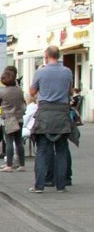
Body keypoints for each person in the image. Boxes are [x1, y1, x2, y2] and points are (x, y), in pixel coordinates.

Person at [28, 45, 74, 192]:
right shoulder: (67, 72)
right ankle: (61, 186)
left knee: (42, 151)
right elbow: (70, 91)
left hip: (45, 114)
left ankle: (39, 185)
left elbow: (32, 92)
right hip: (62, 114)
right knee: (61, 150)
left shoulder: (40, 72)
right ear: (58, 56)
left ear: (46, 56)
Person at [0, 67, 26, 172]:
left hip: (8, 118)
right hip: (19, 118)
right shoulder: (19, 90)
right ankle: (22, 164)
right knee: (19, 141)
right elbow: (23, 101)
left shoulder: (2, 92)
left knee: (9, 142)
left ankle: (9, 165)